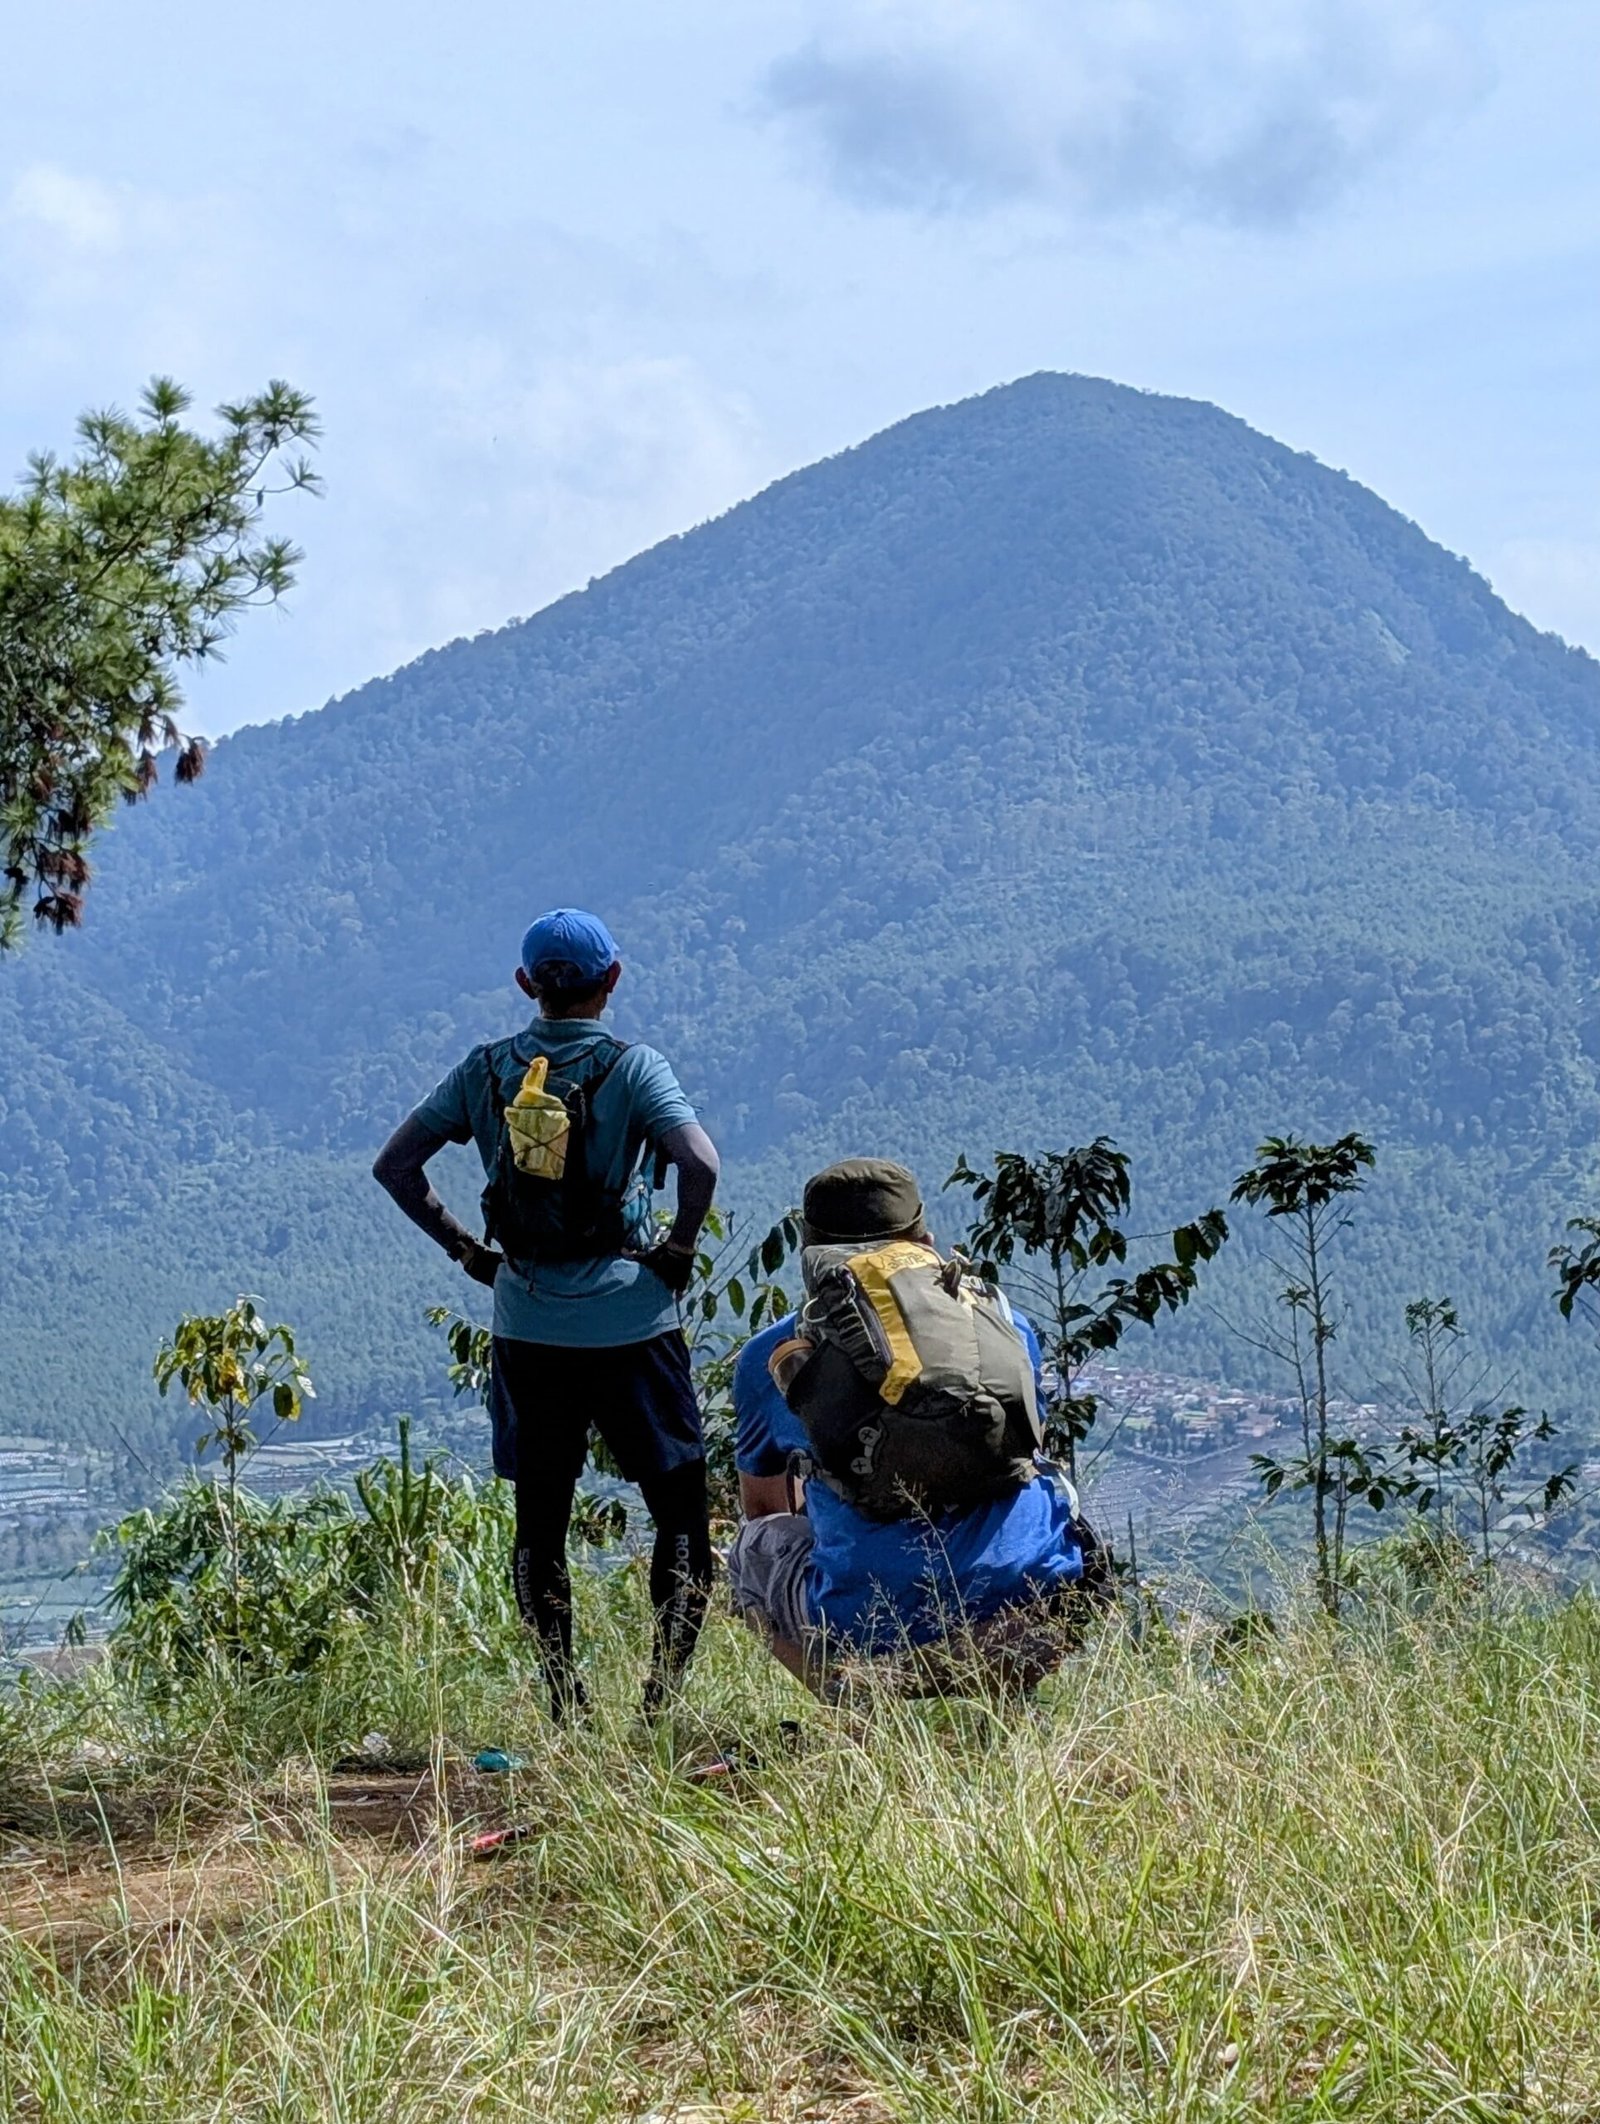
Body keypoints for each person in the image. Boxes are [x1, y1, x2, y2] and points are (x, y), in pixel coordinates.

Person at [373, 907, 720, 1723]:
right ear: (614, 979)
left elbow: (396, 1167)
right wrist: (676, 1249)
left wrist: (470, 1253)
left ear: (527, 985)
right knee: (676, 1510)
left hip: (527, 1323)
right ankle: (660, 1705)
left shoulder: (488, 1071)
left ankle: (568, 1705)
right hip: (634, 1322)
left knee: (541, 1518)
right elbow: (697, 1164)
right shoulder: (635, 1069)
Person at [728, 1158, 1103, 1692]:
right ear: (924, 1242)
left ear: (811, 1258)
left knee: (750, 1551)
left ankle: (857, 1713)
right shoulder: (1004, 1327)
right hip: (1037, 1608)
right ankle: (1006, 1712)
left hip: (871, 1631)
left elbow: (765, 1508)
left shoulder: (775, 1358)